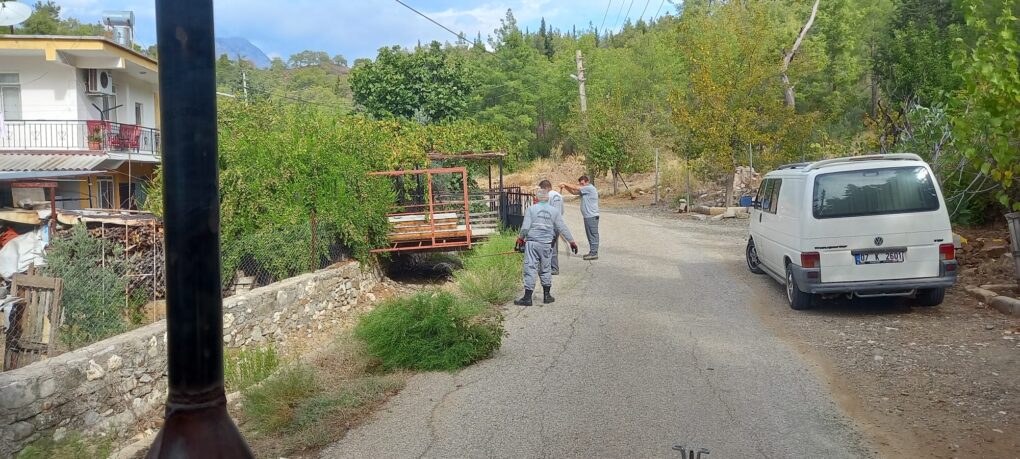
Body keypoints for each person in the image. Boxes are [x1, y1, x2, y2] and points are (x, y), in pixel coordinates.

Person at [515, 188, 578, 306]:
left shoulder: (531, 209)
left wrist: (520, 238)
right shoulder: (554, 211)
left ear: (535, 199)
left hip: (532, 243)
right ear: (547, 199)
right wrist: (571, 242)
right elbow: (562, 227)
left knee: (530, 268)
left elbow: (525, 227)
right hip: (546, 245)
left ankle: (527, 298)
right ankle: (547, 296)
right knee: (546, 268)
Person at [559, 175, 600, 261]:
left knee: (593, 234)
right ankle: (592, 251)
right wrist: (565, 187)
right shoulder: (584, 189)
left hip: (591, 216)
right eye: (580, 184)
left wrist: (565, 183)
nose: (581, 185)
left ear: (587, 182)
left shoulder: (589, 188)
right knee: (590, 235)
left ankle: (594, 253)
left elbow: (575, 187)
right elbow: (574, 192)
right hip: (587, 216)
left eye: (582, 183)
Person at [539, 179, 565, 275]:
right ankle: (552, 267)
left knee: (550, 247)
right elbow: (561, 211)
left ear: (546, 188)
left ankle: (553, 268)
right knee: (553, 246)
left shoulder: (548, 196)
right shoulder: (559, 195)